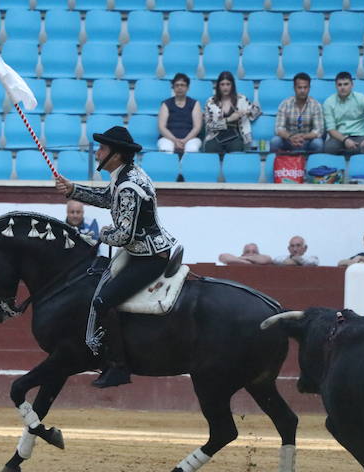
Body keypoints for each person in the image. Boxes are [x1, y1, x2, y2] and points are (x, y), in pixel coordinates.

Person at [54, 126, 177, 388]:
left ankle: (119, 366)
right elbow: (106, 197)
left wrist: (100, 236)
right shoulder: (125, 176)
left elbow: (124, 236)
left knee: (102, 301)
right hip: (143, 252)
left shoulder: (129, 185)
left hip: (148, 257)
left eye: (102, 149)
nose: (97, 153)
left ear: (117, 155)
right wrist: (72, 189)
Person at [323, 72, 364, 155]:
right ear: (336, 86)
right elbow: (331, 130)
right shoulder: (329, 102)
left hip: (360, 135)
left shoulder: (360, 98)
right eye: (339, 85)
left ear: (352, 85)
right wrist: (345, 140)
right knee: (328, 148)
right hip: (339, 137)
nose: (343, 87)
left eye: (346, 84)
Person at [202, 71, 261, 154]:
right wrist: (228, 119)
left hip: (236, 135)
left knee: (236, 148)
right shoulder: (210, 102)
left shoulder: (241, 99)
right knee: (210, 147)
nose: (225, 87)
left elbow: (257, 111)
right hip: (216, 135)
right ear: (218, 86)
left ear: (232, 85)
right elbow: (209, 126)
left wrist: (247, 112)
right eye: (222, 84)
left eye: (228, 84)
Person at [271, 72, 324, 154]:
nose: (302, 90)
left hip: (307, 141)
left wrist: (303, 137)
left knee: (318, 143)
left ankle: (314, 165)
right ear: (294, 88)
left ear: (309, 88)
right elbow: (279, 129)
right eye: (299, 87)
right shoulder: (285, 104)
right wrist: (290, 137)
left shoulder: (316, 105)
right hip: (289, 140)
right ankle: (279, 165)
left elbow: (318, 130)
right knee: (275, 141)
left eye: (305, 87)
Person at [156, 72, 203, 154]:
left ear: (187, 88)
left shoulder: (195, 104)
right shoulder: (166, 104)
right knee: (166, 148)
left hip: (191, 138)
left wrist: (185, 141)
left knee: (192, 149)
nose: (179, 87)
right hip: (168, 138)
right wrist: (174, 140)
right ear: (173, 88)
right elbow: (162, 127)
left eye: (182, 85)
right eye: (177, 85)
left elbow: (197, 127)